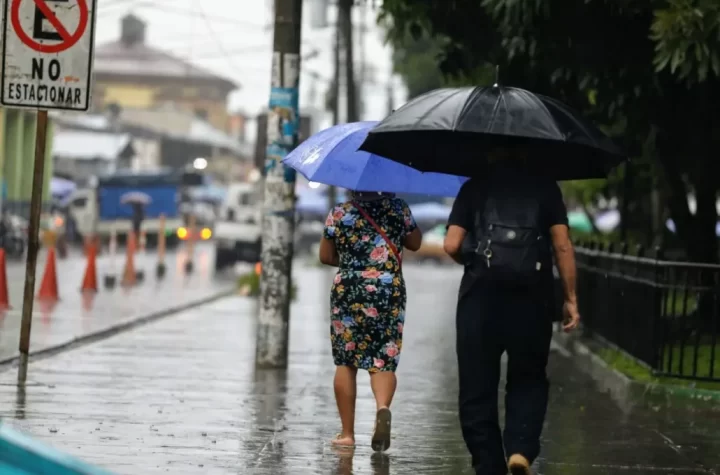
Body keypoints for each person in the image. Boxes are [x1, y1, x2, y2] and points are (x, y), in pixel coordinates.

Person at [443, 147, 580, 475]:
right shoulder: (546, 187)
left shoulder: (474, 187)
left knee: (477, 388)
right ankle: (519, 449)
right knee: (529, 378)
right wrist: (570, 298)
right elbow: (562, 244)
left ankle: (489, 465)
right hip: (532, 300)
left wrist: (474, 261)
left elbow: (450, 244)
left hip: (480, 300)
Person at [319, 190, 422, 451]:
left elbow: (325, 256)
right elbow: (415, 243)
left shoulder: (339, 213)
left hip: (349, 288)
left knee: (346, 360)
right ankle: (383, 407)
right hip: (388, 287)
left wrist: (356, 264)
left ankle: (347, 434)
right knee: (384, 356)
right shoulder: (399, 209)